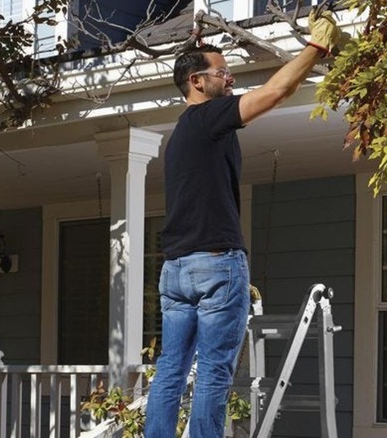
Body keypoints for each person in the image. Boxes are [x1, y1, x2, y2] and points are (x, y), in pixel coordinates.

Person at [145, 8, 341, 438]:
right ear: (196, 81)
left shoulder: (182, 134)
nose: (230, 78)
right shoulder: (207, 119)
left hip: (176, 271)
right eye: (222, 72)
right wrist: (317, 47)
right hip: (216, 265)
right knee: (214, 370)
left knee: (171, 371)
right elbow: (275, 92)